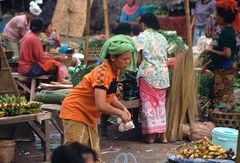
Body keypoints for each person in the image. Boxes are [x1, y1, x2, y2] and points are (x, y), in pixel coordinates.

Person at [60, 35, 137, 162]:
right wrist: (120, 113)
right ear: (112, 57)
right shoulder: (102, 73)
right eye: (124, 59)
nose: (127, 62)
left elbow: (109, 95)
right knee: (76, 157)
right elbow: (101, 105)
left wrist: (123, 108)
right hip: (75, 111)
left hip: (88, 115)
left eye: (129, 59)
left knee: (93, 155)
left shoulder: (115, 70)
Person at [135, 13, 170, 144]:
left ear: (143, 24)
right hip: (162, 75)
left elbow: (138, 60)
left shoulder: (141, 38)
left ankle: (150, 136)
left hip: (147, 75)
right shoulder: (162, 38)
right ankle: (163, 136)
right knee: (160, 105)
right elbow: (165, 56)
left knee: (148, 106)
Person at [203, 0, 239, 105]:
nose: (216, 18)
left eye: (218, 16)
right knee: (224, 96)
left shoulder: (226, 32)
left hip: (225, 69)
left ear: (223, 18)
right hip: (224, 68)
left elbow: (227, 54)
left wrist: (211, 50)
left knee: (223, 97)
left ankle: (223, 118)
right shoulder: (227, 30)